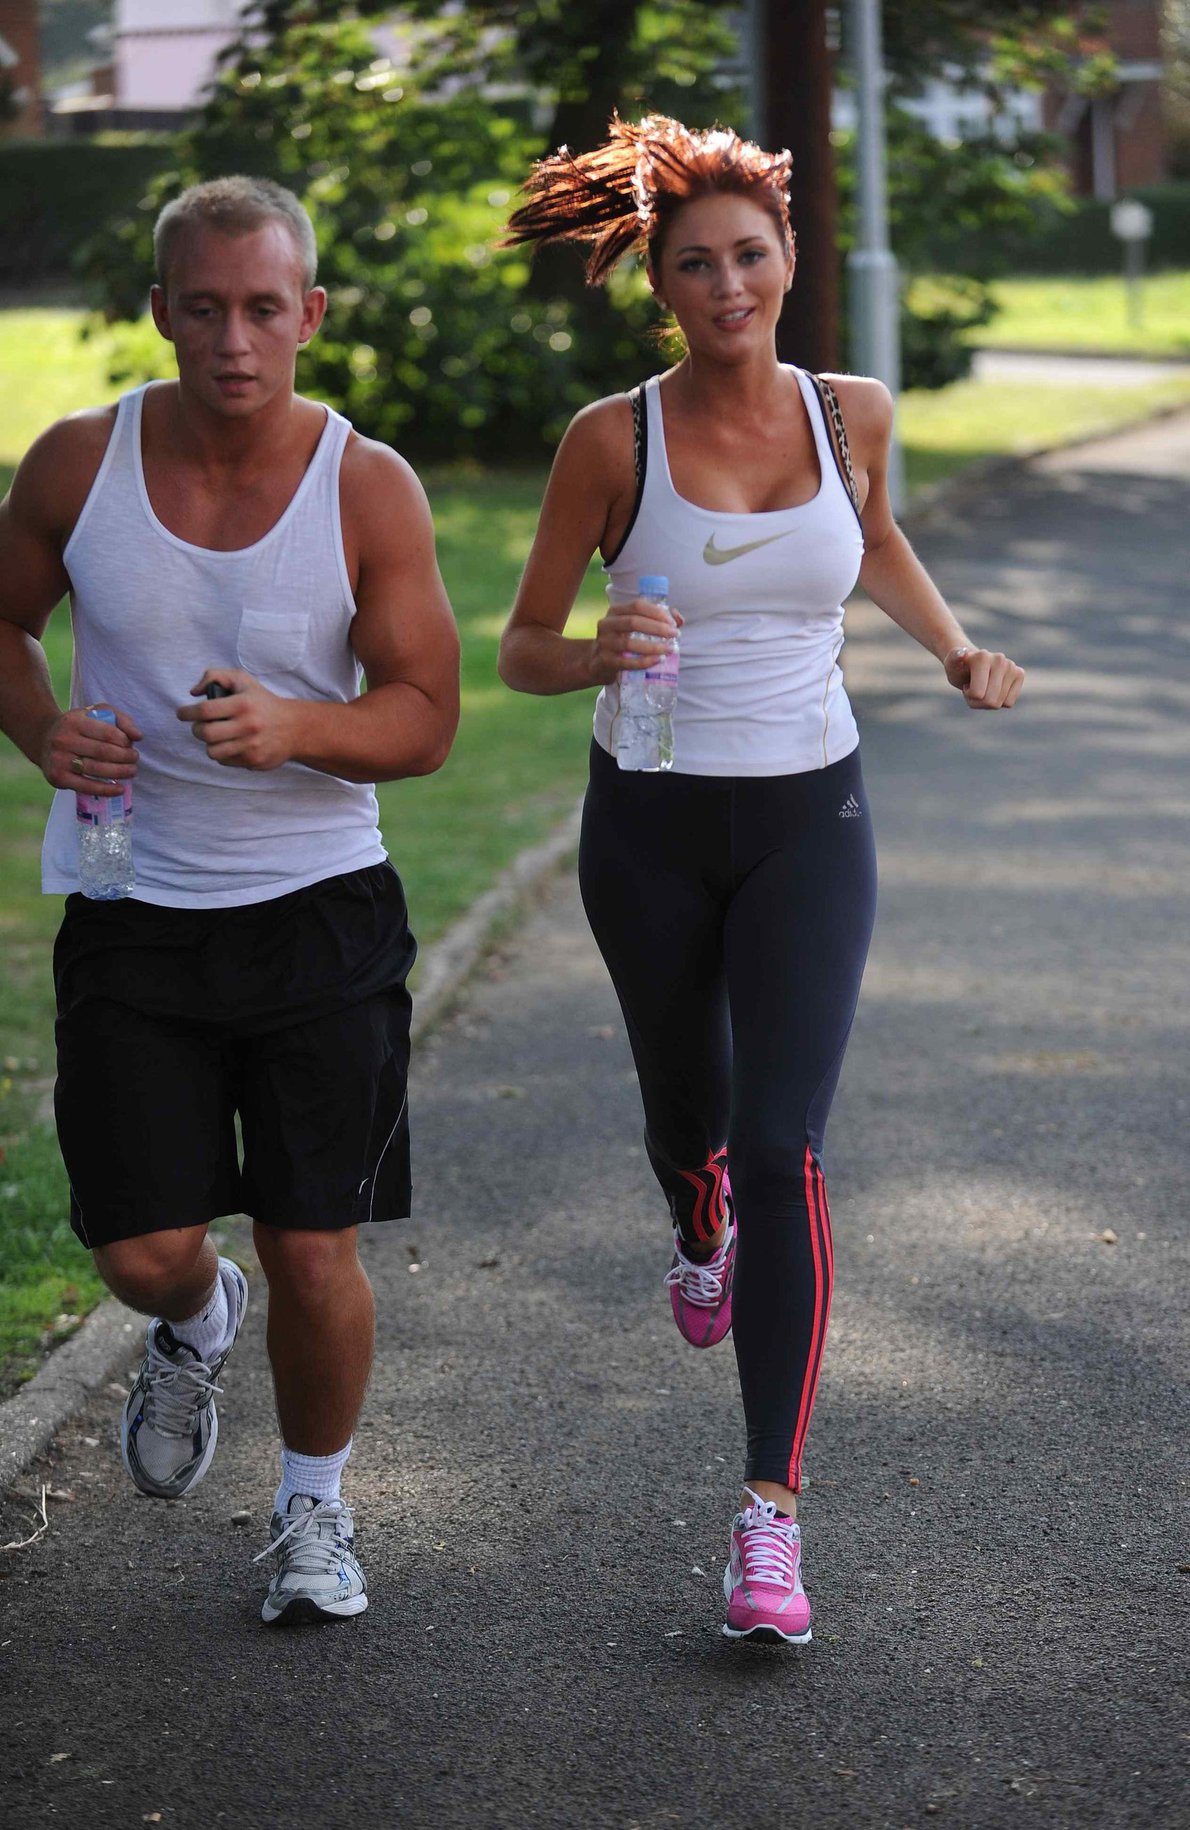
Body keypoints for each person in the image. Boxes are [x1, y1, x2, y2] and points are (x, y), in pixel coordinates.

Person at [498, 115, 1024, 1644]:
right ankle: (691, 1220)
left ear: (788, 259)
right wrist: (593, 646)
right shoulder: (613, 441)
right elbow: (523, 645)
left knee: (780, 1133)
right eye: (692, 264)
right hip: (649, 822)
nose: (726, 283)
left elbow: (870, 540)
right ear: (655, 284)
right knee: (688, 1116)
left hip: (811, 813)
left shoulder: (847, 408)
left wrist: (951, 648)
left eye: (749, 254)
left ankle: (768, 1523)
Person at [0, 176, 460, 1624]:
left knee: (312, 1239)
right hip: (134, 906)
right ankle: (197, 1320)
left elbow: (430, 712)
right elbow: (4, 623)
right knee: (136, 1243)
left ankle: (312, 1513)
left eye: (265, 306)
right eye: (203, 306)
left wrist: (297, 726)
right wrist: (40, 732)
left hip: (317, 906)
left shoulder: (364, 483)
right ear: (162, 313)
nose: (235, 337)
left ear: (310, 313)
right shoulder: (79, 464)